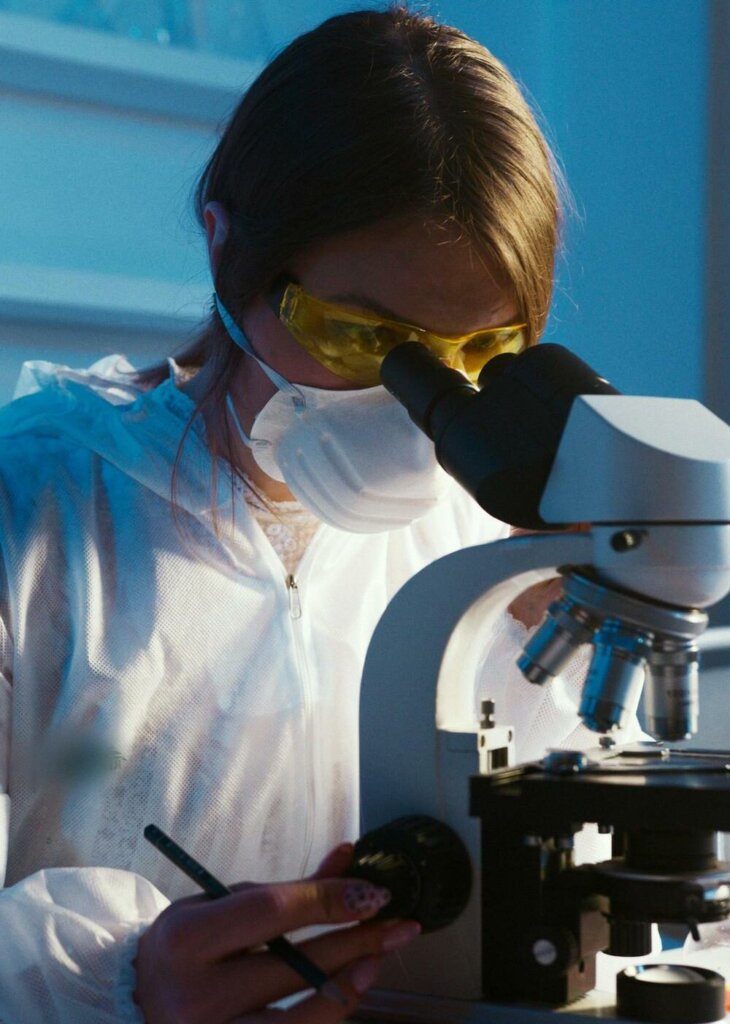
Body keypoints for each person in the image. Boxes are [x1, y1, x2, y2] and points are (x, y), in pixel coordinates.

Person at [0, 6, 641, 1023]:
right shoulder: (35, 508)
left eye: (478, 357)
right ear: (227, 254)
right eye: (360, 339)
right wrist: (113, 993)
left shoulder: (489, 550)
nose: (415, 409)